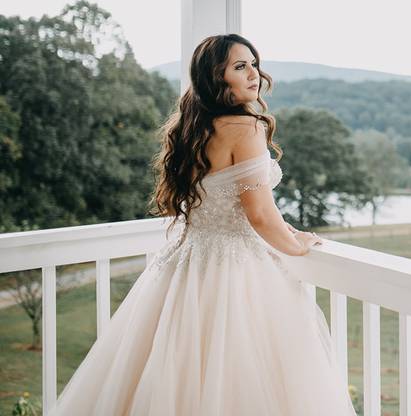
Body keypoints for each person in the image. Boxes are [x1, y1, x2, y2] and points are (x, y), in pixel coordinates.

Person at [55, 34, 358, 415]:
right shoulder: (246, 129)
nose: (255, 74)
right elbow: (259, 214)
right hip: (235, 269)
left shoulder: (193, 128)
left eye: (253, 64)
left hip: (186, 264)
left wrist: (291, 230)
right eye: (240, 66)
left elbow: (243, 202)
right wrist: (298, 247)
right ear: (217, 77)